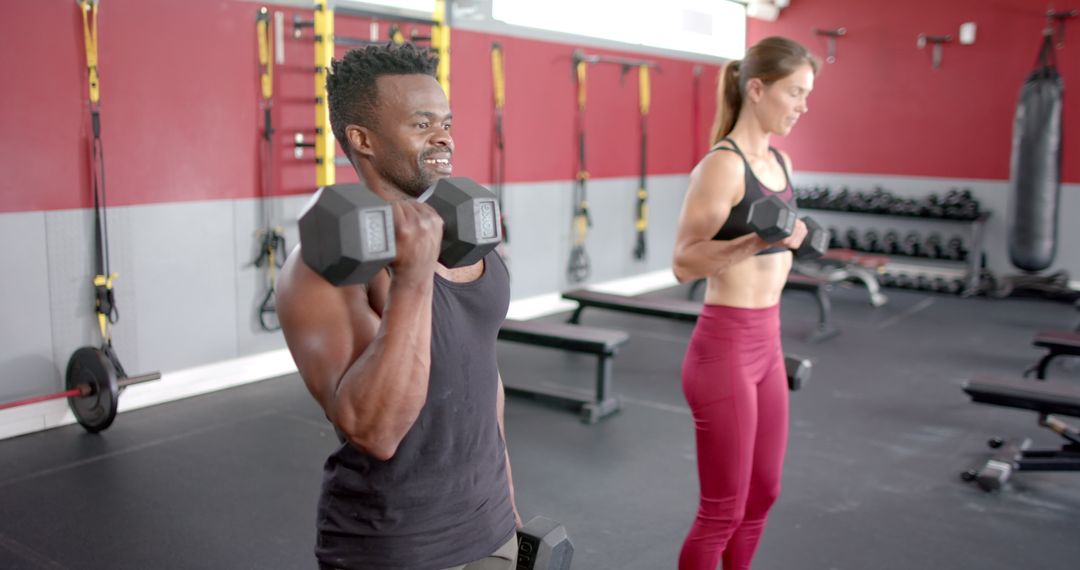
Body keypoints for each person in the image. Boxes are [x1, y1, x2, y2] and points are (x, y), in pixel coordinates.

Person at [275, 43, 520, 570]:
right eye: (420, 123)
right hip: (395, 546)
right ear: (362, 139)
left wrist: (508, 506)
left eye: (446, 121)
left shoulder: (471, 231)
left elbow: (483, 374)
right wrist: (412, 278)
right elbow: (374, 430)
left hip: (491, 526)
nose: (444, 136)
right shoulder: (321, 268)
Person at [671, 36, 819, 570]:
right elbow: (684, 262)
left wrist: (789, 241)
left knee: (763, 496)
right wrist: (756, 242)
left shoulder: (780, 160)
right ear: (757, 89)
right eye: (795, 93)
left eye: (807, 95)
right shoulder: (722, 166)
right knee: (722, 512)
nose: (802, 106)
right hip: (724, 348)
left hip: (768, 344)